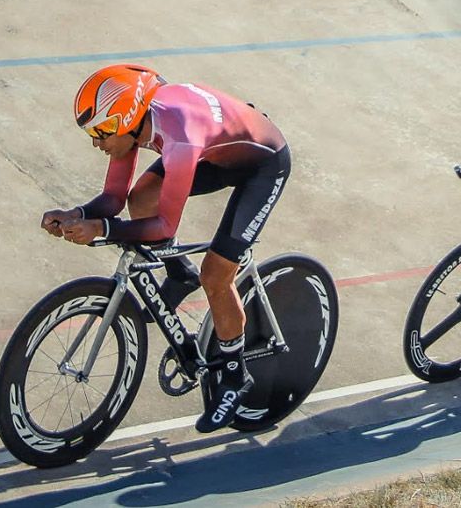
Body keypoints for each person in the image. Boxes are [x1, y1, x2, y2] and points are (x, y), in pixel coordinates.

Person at [41, 64, 290, 433]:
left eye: (103, 132)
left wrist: (102, 229)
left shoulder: (179, 138)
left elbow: (162, 229)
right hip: (217, 150)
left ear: (126, 119)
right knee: (141, 197)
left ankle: (236, 376)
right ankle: (179, 273)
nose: (98, 142)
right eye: (93, 133)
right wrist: (76, 214)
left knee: (217, 274)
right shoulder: (130, 124)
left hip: (263, 165)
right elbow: (114, 198)